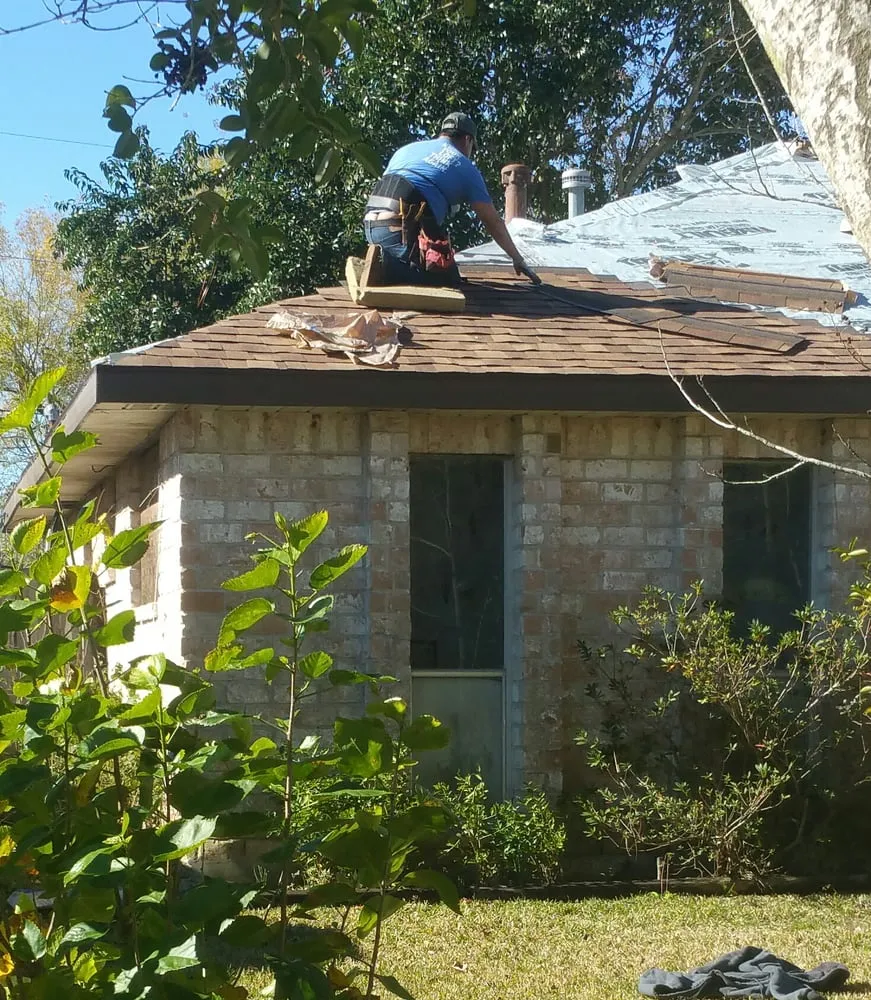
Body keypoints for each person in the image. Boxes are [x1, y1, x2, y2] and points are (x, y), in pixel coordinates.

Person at [363, 112, 540, 286]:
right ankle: (388, 267)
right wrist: (517, 258)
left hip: (371, 226)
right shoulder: (464, 166)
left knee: (439, 268)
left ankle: (384, 263)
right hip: (398, 232)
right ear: (468, 140)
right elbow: (492, 221)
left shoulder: (407, 150)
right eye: (472, 149)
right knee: (446, 280)